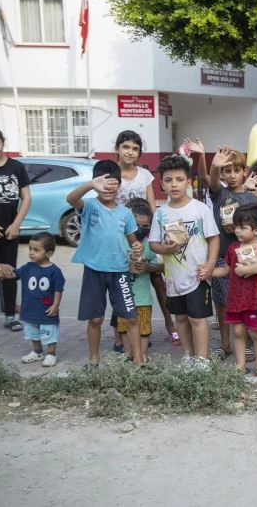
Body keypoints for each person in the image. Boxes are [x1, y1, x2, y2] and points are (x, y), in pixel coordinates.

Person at [67, 160, 143, 366]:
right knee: (95, 319)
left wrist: (138, 248)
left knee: (131, 318)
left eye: (113, 184)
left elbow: (133, 241)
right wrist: (91, 184)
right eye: (103, 184)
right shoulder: (89, 206)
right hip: (94, 270)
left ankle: (139, 360)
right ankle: (93, 360)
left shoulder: (126, 214)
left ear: (119, 185)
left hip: (120, 272)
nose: (108, 188)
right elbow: (71, 198)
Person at [149, 155, 219, 366]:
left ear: (188, 182)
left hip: (198, 275)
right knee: (180, 318)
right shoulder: (161, 214)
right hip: (172, 278)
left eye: (179, 179)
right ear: (161, 184)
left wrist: (210, 265)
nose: (174, 184)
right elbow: (153, 243)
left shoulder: (200, 209)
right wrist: (165, 248)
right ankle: (188, 358)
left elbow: (213, 238)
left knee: (197, 319)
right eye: (168, 180)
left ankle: (202, 360)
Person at [111, 130, 178, 348]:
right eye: (126, 147)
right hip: (120, 235)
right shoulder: (112, 175)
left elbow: (152, 207)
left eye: (135, 148)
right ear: (117, 149)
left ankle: (170, 325)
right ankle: (120, 334)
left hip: (145, 233)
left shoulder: (145, 176)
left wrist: (154, 233)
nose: (130, 152)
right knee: (121, 282)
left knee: (158, 281)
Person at [208, 147, 257, 362]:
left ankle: (245, 343)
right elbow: (211, 182)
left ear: (244, 172)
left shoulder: (251, 198)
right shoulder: (220, 193)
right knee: (221, 302)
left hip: (246, 256)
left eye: (235, 170)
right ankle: (225, 344)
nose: (231, 175)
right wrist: (214, 165)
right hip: (222, 253)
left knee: (244, 301)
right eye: (226, 171)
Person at [0, 116, 31, 330]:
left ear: (3, 142)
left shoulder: (17, 167)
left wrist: (17, 224)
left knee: (9, 273)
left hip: (9, 230)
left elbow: (26, 197)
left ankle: (10, 316)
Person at [212, 204, 257, 375]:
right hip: (235, 300)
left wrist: (247, 270)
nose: (238, 231)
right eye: (236, 226)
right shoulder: (233, 248)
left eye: (243, 227)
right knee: (238, 332)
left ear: (256, 230)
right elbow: (227, 269)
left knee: (256, 333)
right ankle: (240, 365)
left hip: (254, 300)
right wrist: (209, 272)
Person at [115, 199, 162, 364]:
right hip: (122, 296)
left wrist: (147, 266)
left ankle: (141, 355)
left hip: (142, 298)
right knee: (124, 327)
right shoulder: (119, 242)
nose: (141, 230)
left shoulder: (148, 246)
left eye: (145, 226)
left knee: (143, 329)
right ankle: (129, 353)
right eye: (137, 226)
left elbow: (159, 267)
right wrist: (127, 266)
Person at [16, 233, 64, 367]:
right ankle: (37, 352)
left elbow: (58, 290)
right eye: (30, 249)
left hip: (46, 310)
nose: (31, 253)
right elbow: (14, 274)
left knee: (49, 332)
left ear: (48, 253)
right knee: (32, 332)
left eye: (36, 250)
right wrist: (2, 272)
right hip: (30, 309)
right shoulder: (27, 267)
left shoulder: (55, 271)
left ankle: (51, 354)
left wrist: (55, 305)